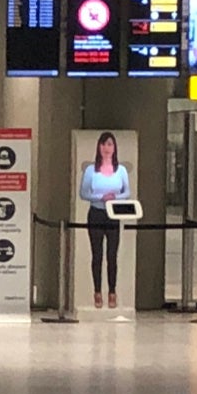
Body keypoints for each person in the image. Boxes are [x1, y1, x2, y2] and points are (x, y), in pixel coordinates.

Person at [78, 131, 130, 310]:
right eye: (104, 144)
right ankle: (97, 291)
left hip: (113, 215)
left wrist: (114, 197)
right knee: (97, 255)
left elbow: (126, 192)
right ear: (99, 147)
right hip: (96, 213)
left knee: (112, 255)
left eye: (110, 144)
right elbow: (84, 193)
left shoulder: (121, 170)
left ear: (114, 148)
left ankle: (112, 291)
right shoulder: (91, 170)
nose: (107, 148)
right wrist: (101, 196)